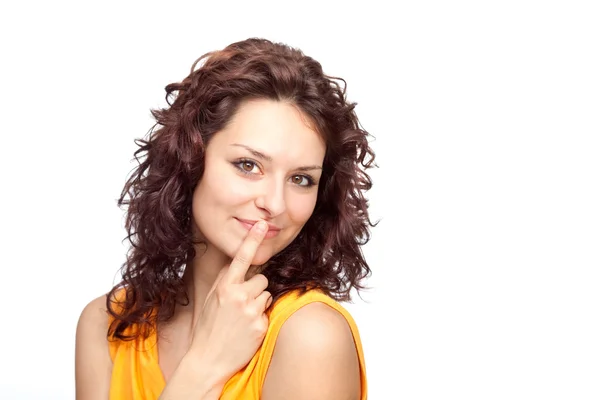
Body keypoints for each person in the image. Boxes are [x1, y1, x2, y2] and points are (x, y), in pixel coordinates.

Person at [75, 37, 376, 400]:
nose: (275, 203)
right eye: (248, 165)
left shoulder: (310, 337)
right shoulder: (107, 325)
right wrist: (204, 365)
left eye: (301, 179)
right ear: (190, 160)